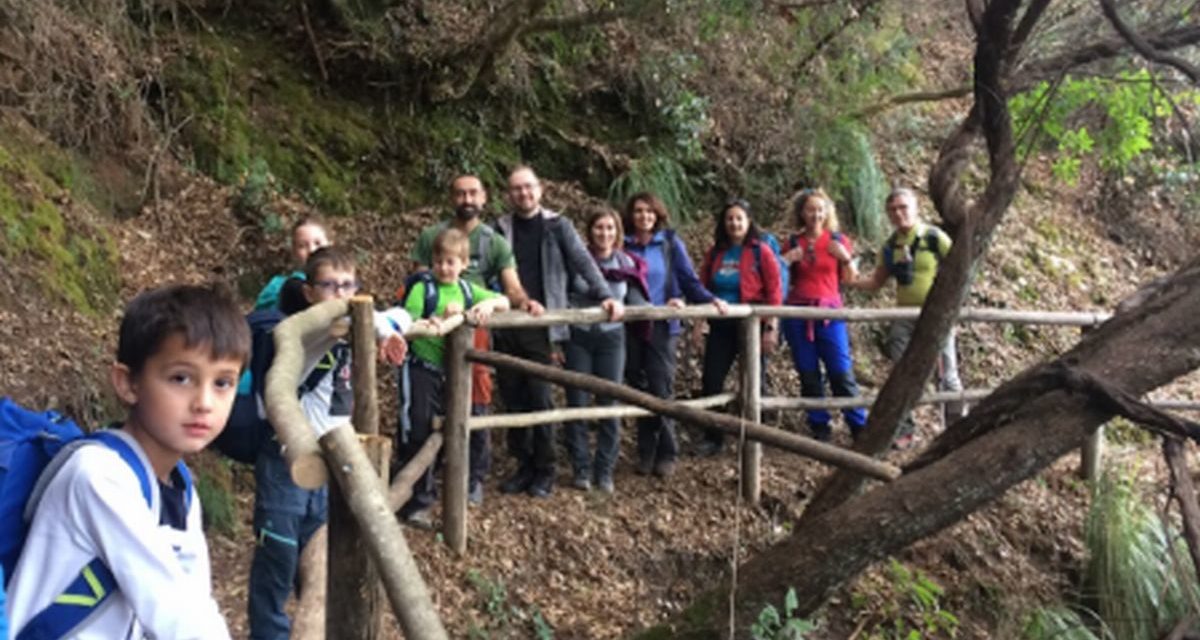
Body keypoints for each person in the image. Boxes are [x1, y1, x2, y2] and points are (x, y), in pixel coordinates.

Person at [6, 284, 248, 639]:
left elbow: (194, 603)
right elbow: (174, 614)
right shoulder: (99, 476)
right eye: (181, 378)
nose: (204, 402)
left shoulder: (179, 489)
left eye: (223, 383)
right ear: (127, 383)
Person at [249, 246, 410, 639]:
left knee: (317, 550)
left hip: (334, 455)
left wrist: (388, 329)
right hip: (287, 452)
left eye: (347, 286)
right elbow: (341, 322)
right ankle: (268, 633)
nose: (340, 294)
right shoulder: (304, 327)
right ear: (309, 292)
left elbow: (398, 314)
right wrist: (380, 325)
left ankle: (314, 624)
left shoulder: (351, 323)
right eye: (329, 286)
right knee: (279, 549)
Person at [494, 165, 622, 498]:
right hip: (507, 324)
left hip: (544, 325)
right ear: (509, 194)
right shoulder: (500, 228)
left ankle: (545, 470)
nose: (524, 193)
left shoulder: (557, 226)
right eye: (517, 189)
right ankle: (523, 465)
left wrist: (605, 294)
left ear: (540, 189)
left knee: (541, 399)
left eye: (529, 187)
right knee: (513, 398)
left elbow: (583, 261)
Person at [409, 174, 529, 505]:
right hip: (432, 340)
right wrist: (428, 314)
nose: (467, 198)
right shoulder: (432, 236)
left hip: (474, 334)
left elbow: (511, 288)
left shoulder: (494, 241)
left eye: (473, 192)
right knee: (429, 411)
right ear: (452, 197)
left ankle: (472, 476)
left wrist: (518, 302)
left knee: (475, 403)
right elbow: (416, 281)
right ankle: (426, 481)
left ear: (484, 196)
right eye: (460, 193)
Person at [396, 228, 510, 527]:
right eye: (438, 261)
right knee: (417, 428)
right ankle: (416, 500)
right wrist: (430, 321)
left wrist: (486, 304)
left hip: (452, 373)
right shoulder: (423, 288)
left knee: (451, 428)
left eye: (450, 262)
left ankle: (448, 489)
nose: (444, 268)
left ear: (463, 264)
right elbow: (407, 321)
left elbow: (505, 301)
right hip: (421, 368)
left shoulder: (468, 290)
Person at [623, 192, 728, 477]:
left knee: (661, 386)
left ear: (658, 214)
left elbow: (688, 280)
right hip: (631, 325)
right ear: (631, 215)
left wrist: (709, 300)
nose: (644, 216)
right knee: (638, 387)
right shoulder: (623, 244)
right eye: (638, 211)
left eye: (649, 211)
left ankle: (667, 451)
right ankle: (645, 452)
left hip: (663, 324)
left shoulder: (668, 243)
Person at [849, 187, 964, 448]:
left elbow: (960, 269)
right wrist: (851, 281)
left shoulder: (934, 237)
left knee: (947, 373)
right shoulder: (890, 246)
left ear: (916, 207)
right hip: (904, 315)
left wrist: (952, 306)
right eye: (892, 210)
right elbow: (877, 282)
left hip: (937, 315)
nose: (898, 214)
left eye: (903, 207)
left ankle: (957, 430)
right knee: (901, 372)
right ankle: (904, 430)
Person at [564, 208, 649, 494]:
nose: (605, 234)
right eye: (599, 228)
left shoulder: (626, 262)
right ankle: (581, 469)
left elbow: (637, 299)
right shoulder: (576, 262)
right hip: (579, 337)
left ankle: (604, 471)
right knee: (577, 403)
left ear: (618, 232)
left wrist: (670, 306)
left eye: (610, 228)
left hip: (612, 340)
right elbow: (561, 295)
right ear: (590, 231)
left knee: (609, 404)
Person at [694, 198, 783, 456]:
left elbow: (775, 290)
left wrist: (771, 327)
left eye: (739, 218)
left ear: (748, 221)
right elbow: (701, 288)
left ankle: (755, 437)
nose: (734, 223)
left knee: (753, 380)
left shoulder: (760, 251)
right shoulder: (716, 253)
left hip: (751, 324)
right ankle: (714, 437)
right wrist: (699, 323)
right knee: (712, 379)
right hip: (721, 324)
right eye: (730, 218)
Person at [779, 188, 868, 442]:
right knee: (807, 371)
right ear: (802, 212)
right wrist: (785, 260)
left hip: (830, 311)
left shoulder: (837, 240)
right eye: (810, 209)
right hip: (798, 312)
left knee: (840, 370)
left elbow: (851, 279)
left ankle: (858, 426)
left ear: (827, 212)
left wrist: (846, 257)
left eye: (820, 209)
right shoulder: (793, 242)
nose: (815, 214)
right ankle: (819, 426)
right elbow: (779, 280)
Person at [255, 216, 331, 310]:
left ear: (330, 245)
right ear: (294, 252)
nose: (312, 250)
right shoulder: (277, 287)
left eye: (317, 243)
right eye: (302, 246)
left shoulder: (345, 283)